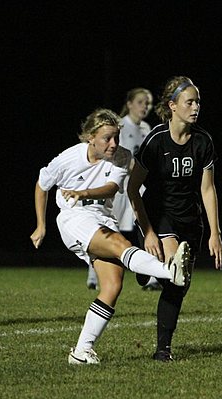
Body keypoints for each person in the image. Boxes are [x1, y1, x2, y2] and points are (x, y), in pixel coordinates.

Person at [31, 108, 191, 365]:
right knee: (120, 245)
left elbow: (111, 188)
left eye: (116, 137)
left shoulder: (120, 156)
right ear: (90, 138)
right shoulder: (69, 158)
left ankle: (81, 351)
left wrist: (84, 193)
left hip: (101, 217)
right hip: (74, 217)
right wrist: (41, 225)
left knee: (113, 285)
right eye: (107, 138)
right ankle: (169, 272)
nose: (114, 144)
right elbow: (42, 184)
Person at [127, 76, 222, 362]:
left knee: (178, 286)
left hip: (190, 220)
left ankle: (162, 347)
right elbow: (133, 188)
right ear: (172, 106)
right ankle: (145, 257)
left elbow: (207, 189)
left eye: (198, 102)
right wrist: (147, 231)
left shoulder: (203, 141)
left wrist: (215, 233)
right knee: (174, 270)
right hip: (160, 215)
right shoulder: (156, 141)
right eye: (189, 102)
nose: (196, 107)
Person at [85, 87, 162, 291]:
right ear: (129, 104)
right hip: (117, 186)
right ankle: (93, 275)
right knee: (107, 228)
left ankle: (151, 276)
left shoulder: (146, 128)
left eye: (148, 103)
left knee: (145, 228)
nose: (145, 106)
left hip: (138, 187)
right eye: (140, 102)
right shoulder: (120, 127)